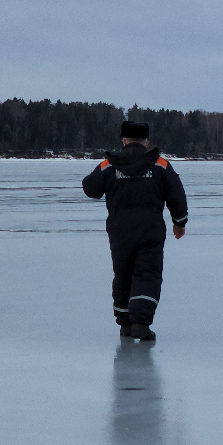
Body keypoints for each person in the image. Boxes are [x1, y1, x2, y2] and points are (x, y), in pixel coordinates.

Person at [82, 121, 188, 341]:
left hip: (119, 232)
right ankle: (140, 322)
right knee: (147, 275)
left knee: (123, 275)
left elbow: (90, 188)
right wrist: (180, 222)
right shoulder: (160, 165)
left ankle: (126, 324)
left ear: (123, 141)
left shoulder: (109, 165)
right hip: (150, 232)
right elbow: (177, 194)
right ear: (146, 142)